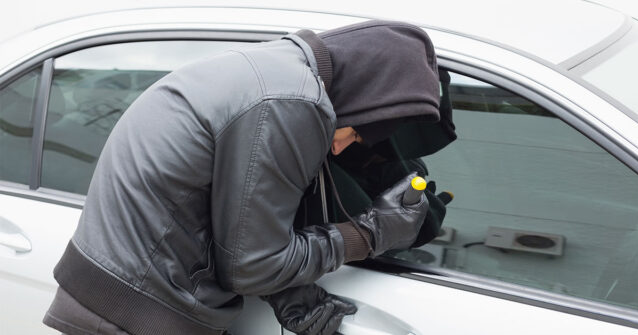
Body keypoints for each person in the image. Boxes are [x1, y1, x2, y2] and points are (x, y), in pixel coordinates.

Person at [43, 20, 446, 335]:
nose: (340, 148)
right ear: (366, 93)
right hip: (133, 318)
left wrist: (289, 290)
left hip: (118, 300)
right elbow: (251, 266)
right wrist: (372, 233)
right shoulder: (293, 102)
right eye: (356, 132)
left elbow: (227, 215)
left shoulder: (274, 72)